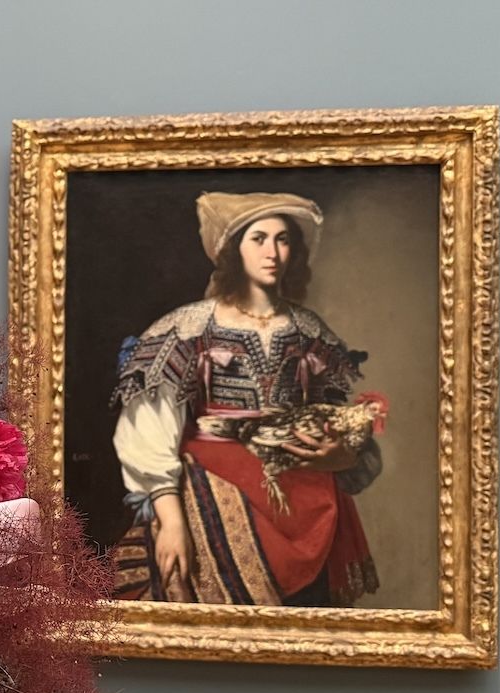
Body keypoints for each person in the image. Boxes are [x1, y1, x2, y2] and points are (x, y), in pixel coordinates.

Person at [111, 192, 381, 606]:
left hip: (308, 502)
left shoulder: (310, 330)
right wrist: (171, 519)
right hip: (214, 497)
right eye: (258, 238)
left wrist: (342, 456)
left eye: (283, 239)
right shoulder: (188, 327)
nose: (272, 252)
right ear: (233, 250)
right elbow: (148, 425)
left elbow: (336, 417)